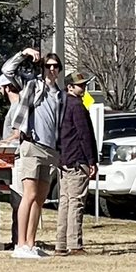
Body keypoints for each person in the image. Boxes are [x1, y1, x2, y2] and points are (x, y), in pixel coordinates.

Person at [1, 47, 65, 259]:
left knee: (40, 198)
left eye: (56, 66)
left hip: (50, 150)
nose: (52, 69)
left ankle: (31, 243)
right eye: (48, 66)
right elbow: (7, 70)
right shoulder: (33, 85)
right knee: (28, 195)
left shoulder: (60, 95)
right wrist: (24, 53)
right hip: (31, 145)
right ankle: (20, 245)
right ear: (42, 68)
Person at [56, 70, 98, 256]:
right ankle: (75, 244)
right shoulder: (77, 106)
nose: (84, 87)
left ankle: (60, 244)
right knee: (76, 202)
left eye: (84, 84)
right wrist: (92, 161)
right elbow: (84, 135)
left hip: (64, 159)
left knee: (65, 202)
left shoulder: (60, 104)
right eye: (80, 85)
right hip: (77, 159)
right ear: (70, 87)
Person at [0, 74, 23, 249]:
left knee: (19, 200)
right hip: (14, 159)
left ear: (6, 88)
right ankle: (16, 239)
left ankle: (20, 241)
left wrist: (4, 142)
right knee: (16, 200)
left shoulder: (18, 107)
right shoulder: (15, 106)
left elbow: (19, 132)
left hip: (20, 158)